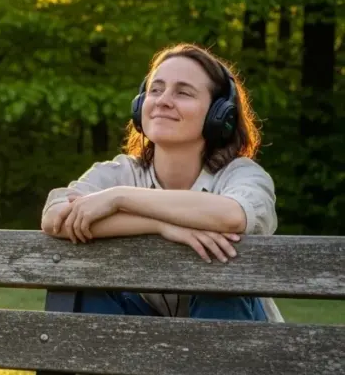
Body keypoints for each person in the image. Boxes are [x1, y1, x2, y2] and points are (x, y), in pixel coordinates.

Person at [40, 43, 281, 322]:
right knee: (87, 287)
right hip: (145, 339)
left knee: (218, 286)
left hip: (241, 343)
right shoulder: (121, 171)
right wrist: (159, 225)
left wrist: (120, 199)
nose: (163, 100)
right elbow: (55, 217)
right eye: (156, 90)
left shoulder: (243, 175)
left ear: (220, 114)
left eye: (183, 92)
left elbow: (231, 215)